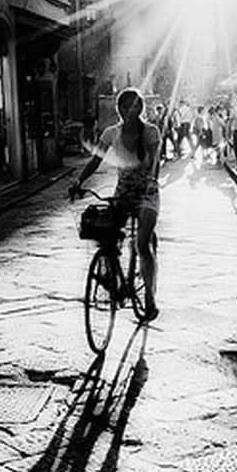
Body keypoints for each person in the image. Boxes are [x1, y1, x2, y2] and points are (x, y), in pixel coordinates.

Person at [69, 86, 160, 321]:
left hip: (147, 193)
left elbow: (155, 162)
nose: (132, 110)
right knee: (105, 233)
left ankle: (149, 299)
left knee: (142, 244)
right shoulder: (111, 133)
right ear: (119, 109)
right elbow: (95, 160)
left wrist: (151, 181)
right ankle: (112, 273)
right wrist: (79, 181)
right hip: (123, 192)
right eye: (127, 106)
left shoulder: (150, 131)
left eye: (136, 105)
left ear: (141, 108)